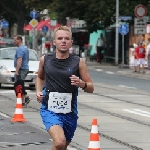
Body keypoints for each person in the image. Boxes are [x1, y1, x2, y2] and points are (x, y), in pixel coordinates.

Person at [36, 26, 94, 150]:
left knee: (62, 146)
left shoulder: (78, 62)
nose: (63, 41)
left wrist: (81, 84)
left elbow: (91, 87)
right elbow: (40, 77)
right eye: (60, 38)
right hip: (49, 109)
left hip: (70, 113)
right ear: (54, 42)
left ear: (71, 42)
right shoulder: (45, 60)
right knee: (59, 142)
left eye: (67, 39)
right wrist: (38, 91)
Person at [14, 35, 31, 107]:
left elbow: (19, 60)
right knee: (20, 84)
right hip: (25, 68)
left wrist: (16, 71)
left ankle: (23, 99)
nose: (14, 41)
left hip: (22, 69)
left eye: (15, 40)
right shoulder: (25, 48)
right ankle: (24, 101)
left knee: (18, 85)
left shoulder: (20, 49)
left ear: (19, 40)